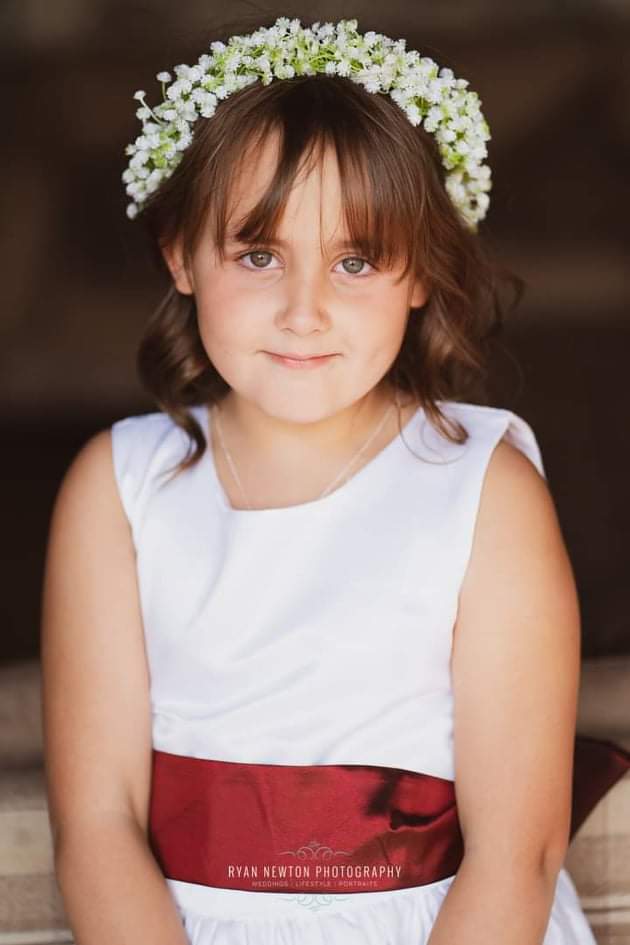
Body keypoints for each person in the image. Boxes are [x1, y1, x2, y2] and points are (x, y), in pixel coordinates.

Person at [40, 16, 630, 945]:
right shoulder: (116, 491)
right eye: (259, 254)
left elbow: (518, 848)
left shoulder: (486, 493)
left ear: (420, 275)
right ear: (180, 253)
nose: (304, 310)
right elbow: (98, 820)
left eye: (355, 260)